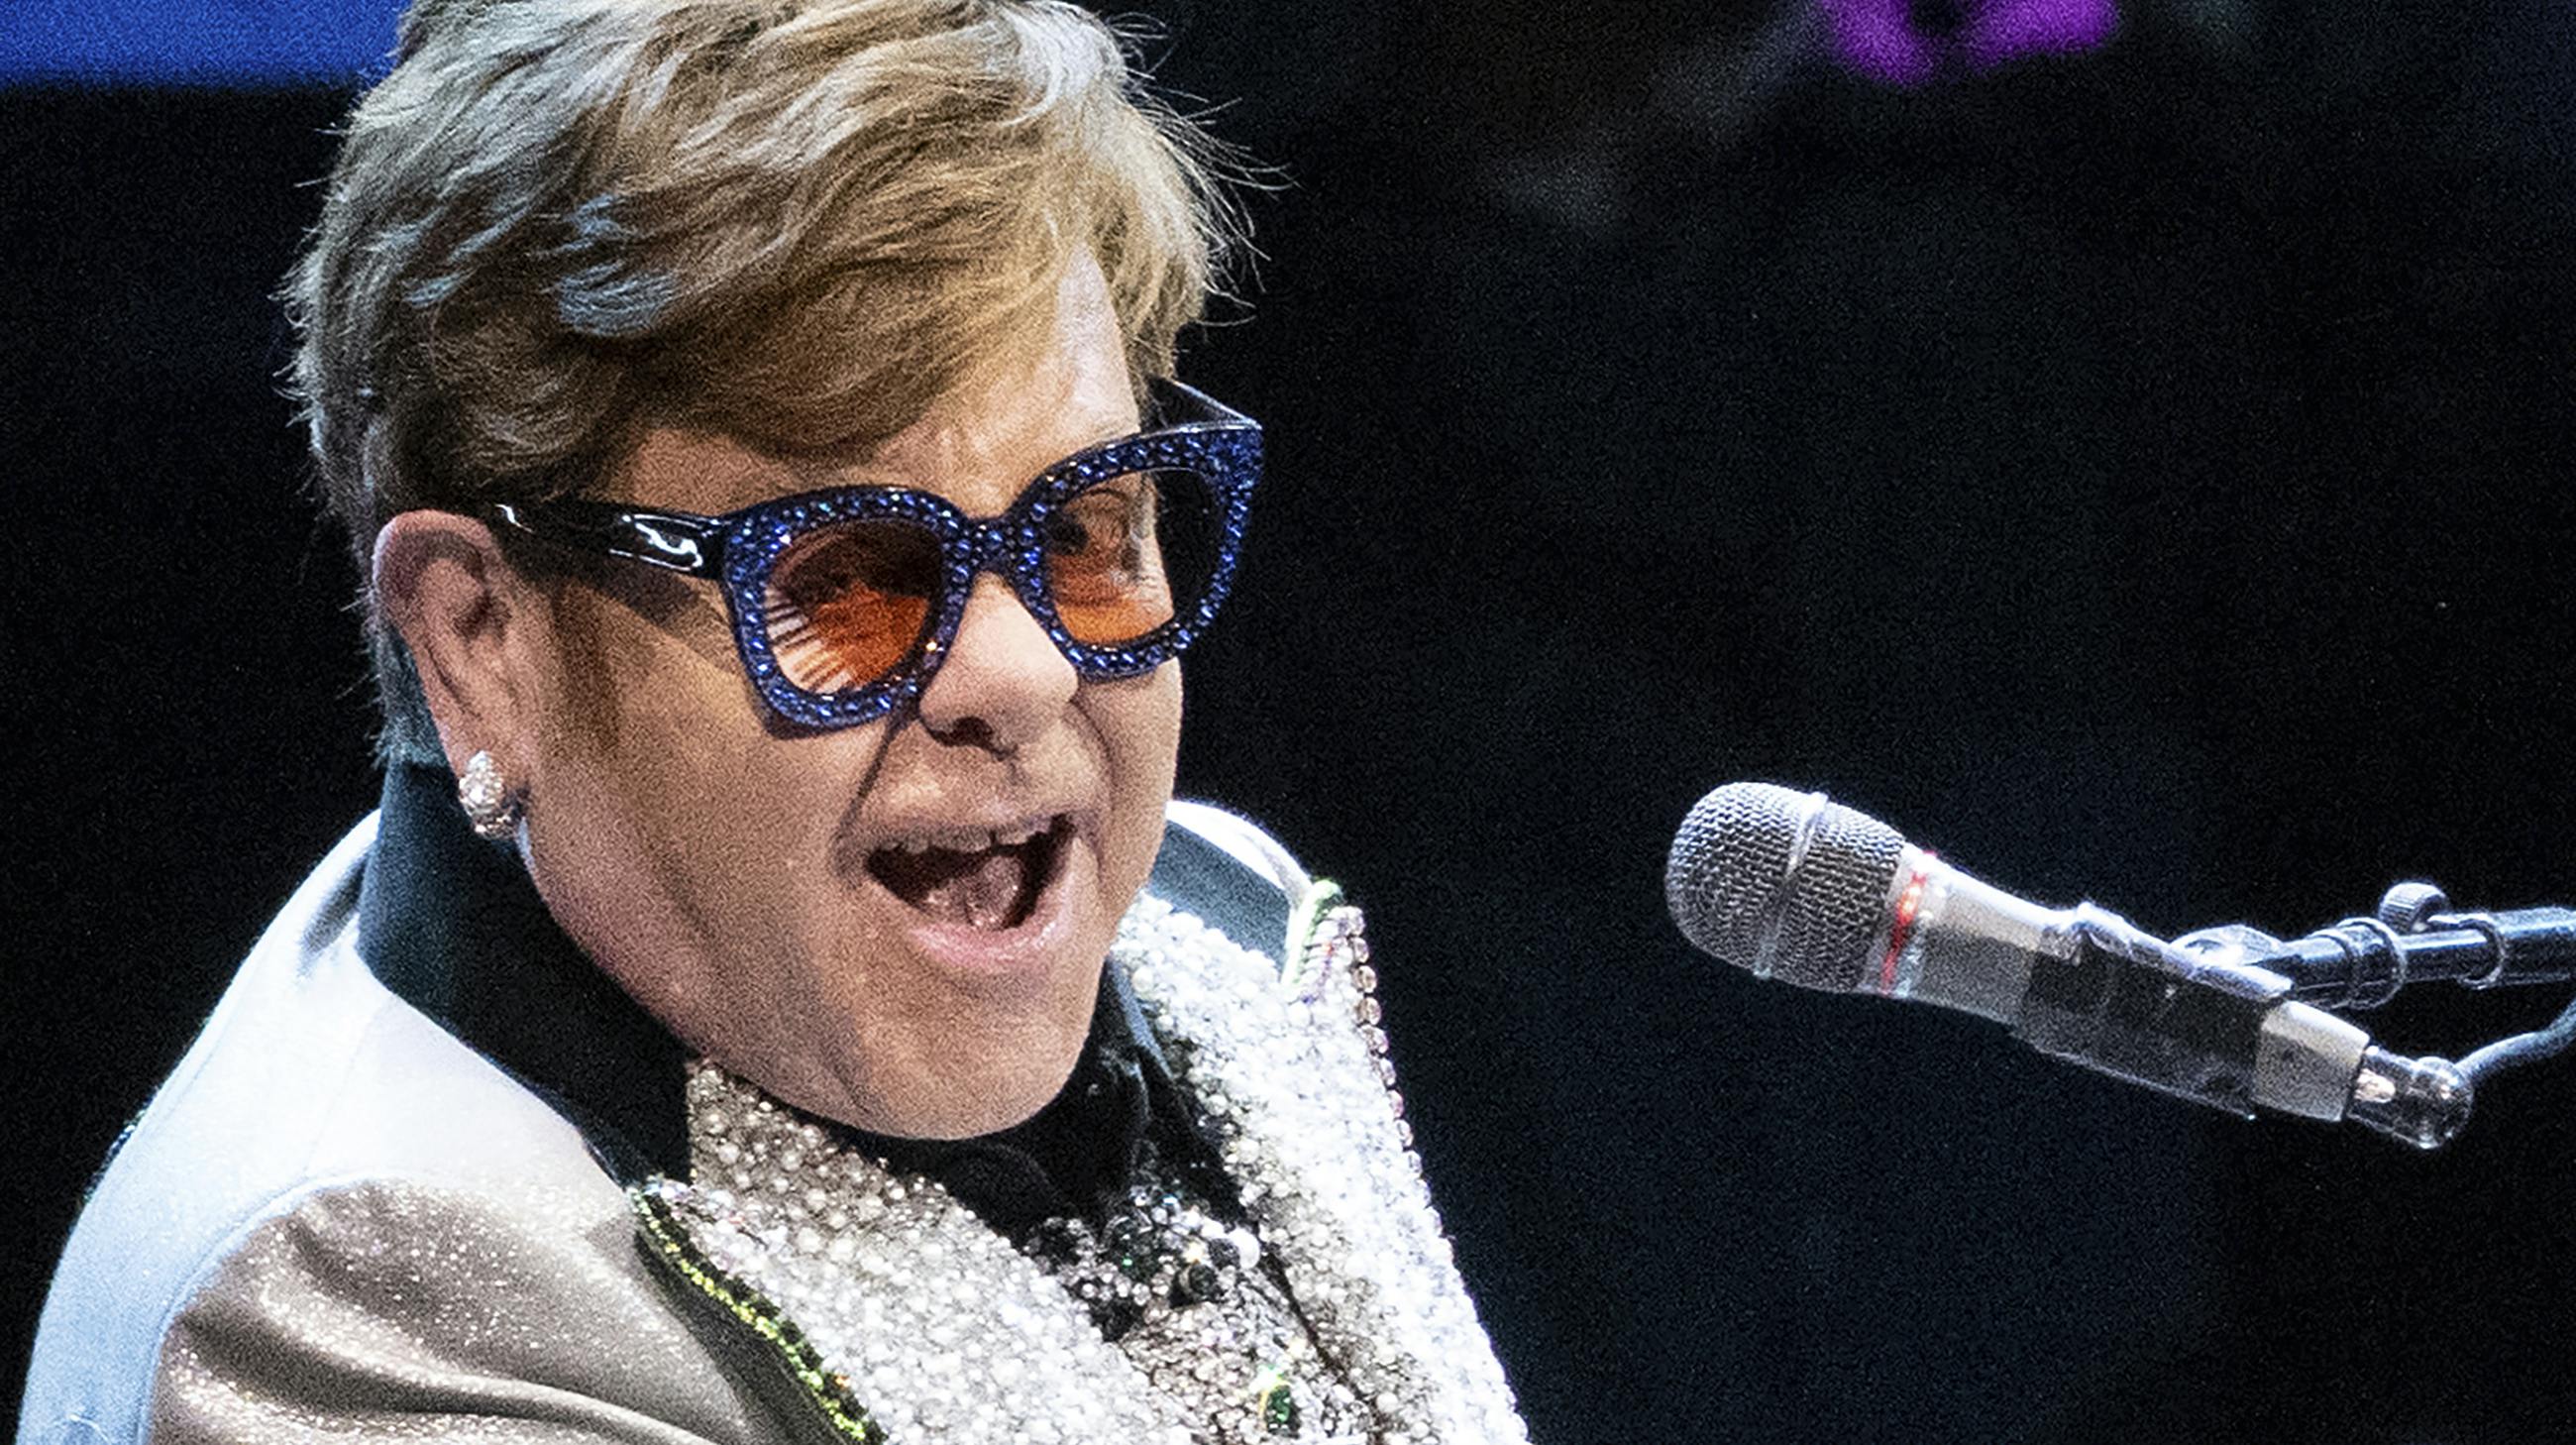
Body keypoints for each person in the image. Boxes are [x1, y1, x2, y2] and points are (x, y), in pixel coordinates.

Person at [17, 2, 1526, 1441]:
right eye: (852, 574)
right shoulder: (364, 1314)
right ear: (482, 639)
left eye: (1085, 530)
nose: (1020, 674)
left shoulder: (1227, 928)